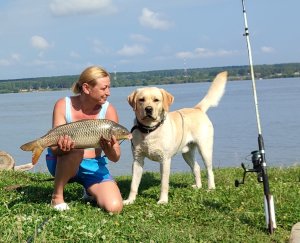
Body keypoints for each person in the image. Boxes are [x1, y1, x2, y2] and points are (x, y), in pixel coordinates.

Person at [46, 65, 123, 213]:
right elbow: (54, 150)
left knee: (115, 207)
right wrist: (63, 147)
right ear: (87, 88)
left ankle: (89, 190)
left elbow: (116, 157)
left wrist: (109, 149)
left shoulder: (109, 110)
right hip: (62, 162)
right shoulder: (63, 105)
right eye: (104, 88)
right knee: (76, 150)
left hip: (93, 166)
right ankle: (57, 197)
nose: (108, 93)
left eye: (109, 88)